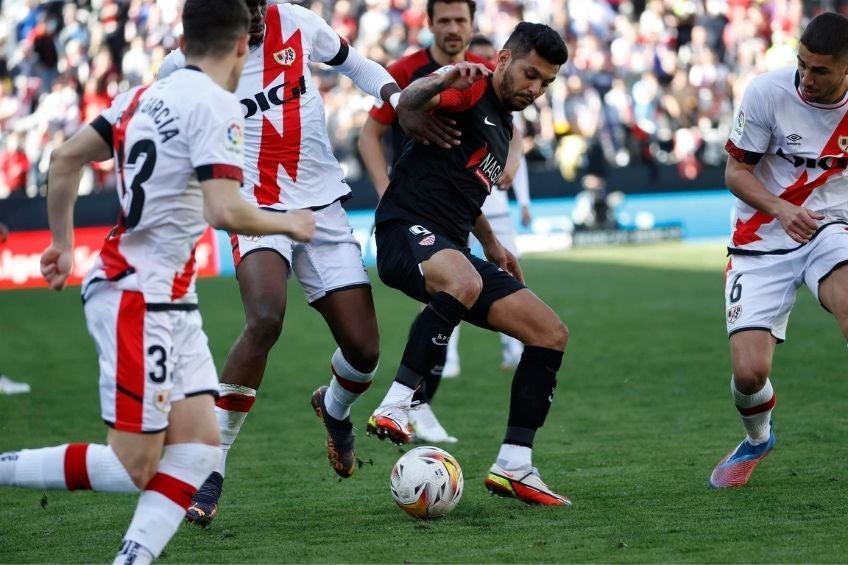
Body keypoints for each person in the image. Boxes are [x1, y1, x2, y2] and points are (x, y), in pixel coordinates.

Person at [0, 1, 314, 563]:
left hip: (168, 299)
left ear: (184, 38)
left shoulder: (140, 97)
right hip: (138, 296)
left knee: (197, 451)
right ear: (243, 44)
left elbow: (65, 157)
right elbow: (224, 211)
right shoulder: (219, 106)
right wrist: (288, 221)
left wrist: (62, 242)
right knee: (134, 464)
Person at [158, 0, 448, 526]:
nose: (256, 16)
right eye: (243, 8)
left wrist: (396, 98)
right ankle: (210, 463)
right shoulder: (188, 61)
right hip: (255, 206)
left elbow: (356, 64)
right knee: (265, 316)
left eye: (259, 4)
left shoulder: (296, 22)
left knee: (363, 354)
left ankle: (333, 408)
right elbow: (159, 129)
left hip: (321, 205)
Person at [366, 22, 572, 506]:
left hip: (454, 247)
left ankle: (515, 465)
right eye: (529, 74)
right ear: (502, 58)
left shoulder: (505, 127)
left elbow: (466, 192)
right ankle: (398, 405)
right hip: (403, 231)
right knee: (461, 279)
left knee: (549, 332)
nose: (535, 89)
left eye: (546, 83)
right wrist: (439, 80)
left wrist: (494, 245)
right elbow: (412, 103)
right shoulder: (470, 86)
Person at [357, 1, 518, 443]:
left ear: (471, 25)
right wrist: (385, 189)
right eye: (443, 20)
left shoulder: (484, 77)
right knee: (450, 299)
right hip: (410, 208)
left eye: (459, 20)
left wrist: (489, 230)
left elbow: (496, 144)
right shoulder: (407, 68)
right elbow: (369, 136)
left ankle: (412, 403)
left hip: (452, 211)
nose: (451, 28)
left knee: (449, 305)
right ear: (428, 25)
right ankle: (413, 403)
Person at [709, 11, 848, 489]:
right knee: (749, 374)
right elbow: (734, 173)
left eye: (820, 70)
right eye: (802, 64)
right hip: (760, 238)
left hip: (833, 228)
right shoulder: (768, 91)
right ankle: (758, 438)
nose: (806, 78)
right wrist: (782, 210)